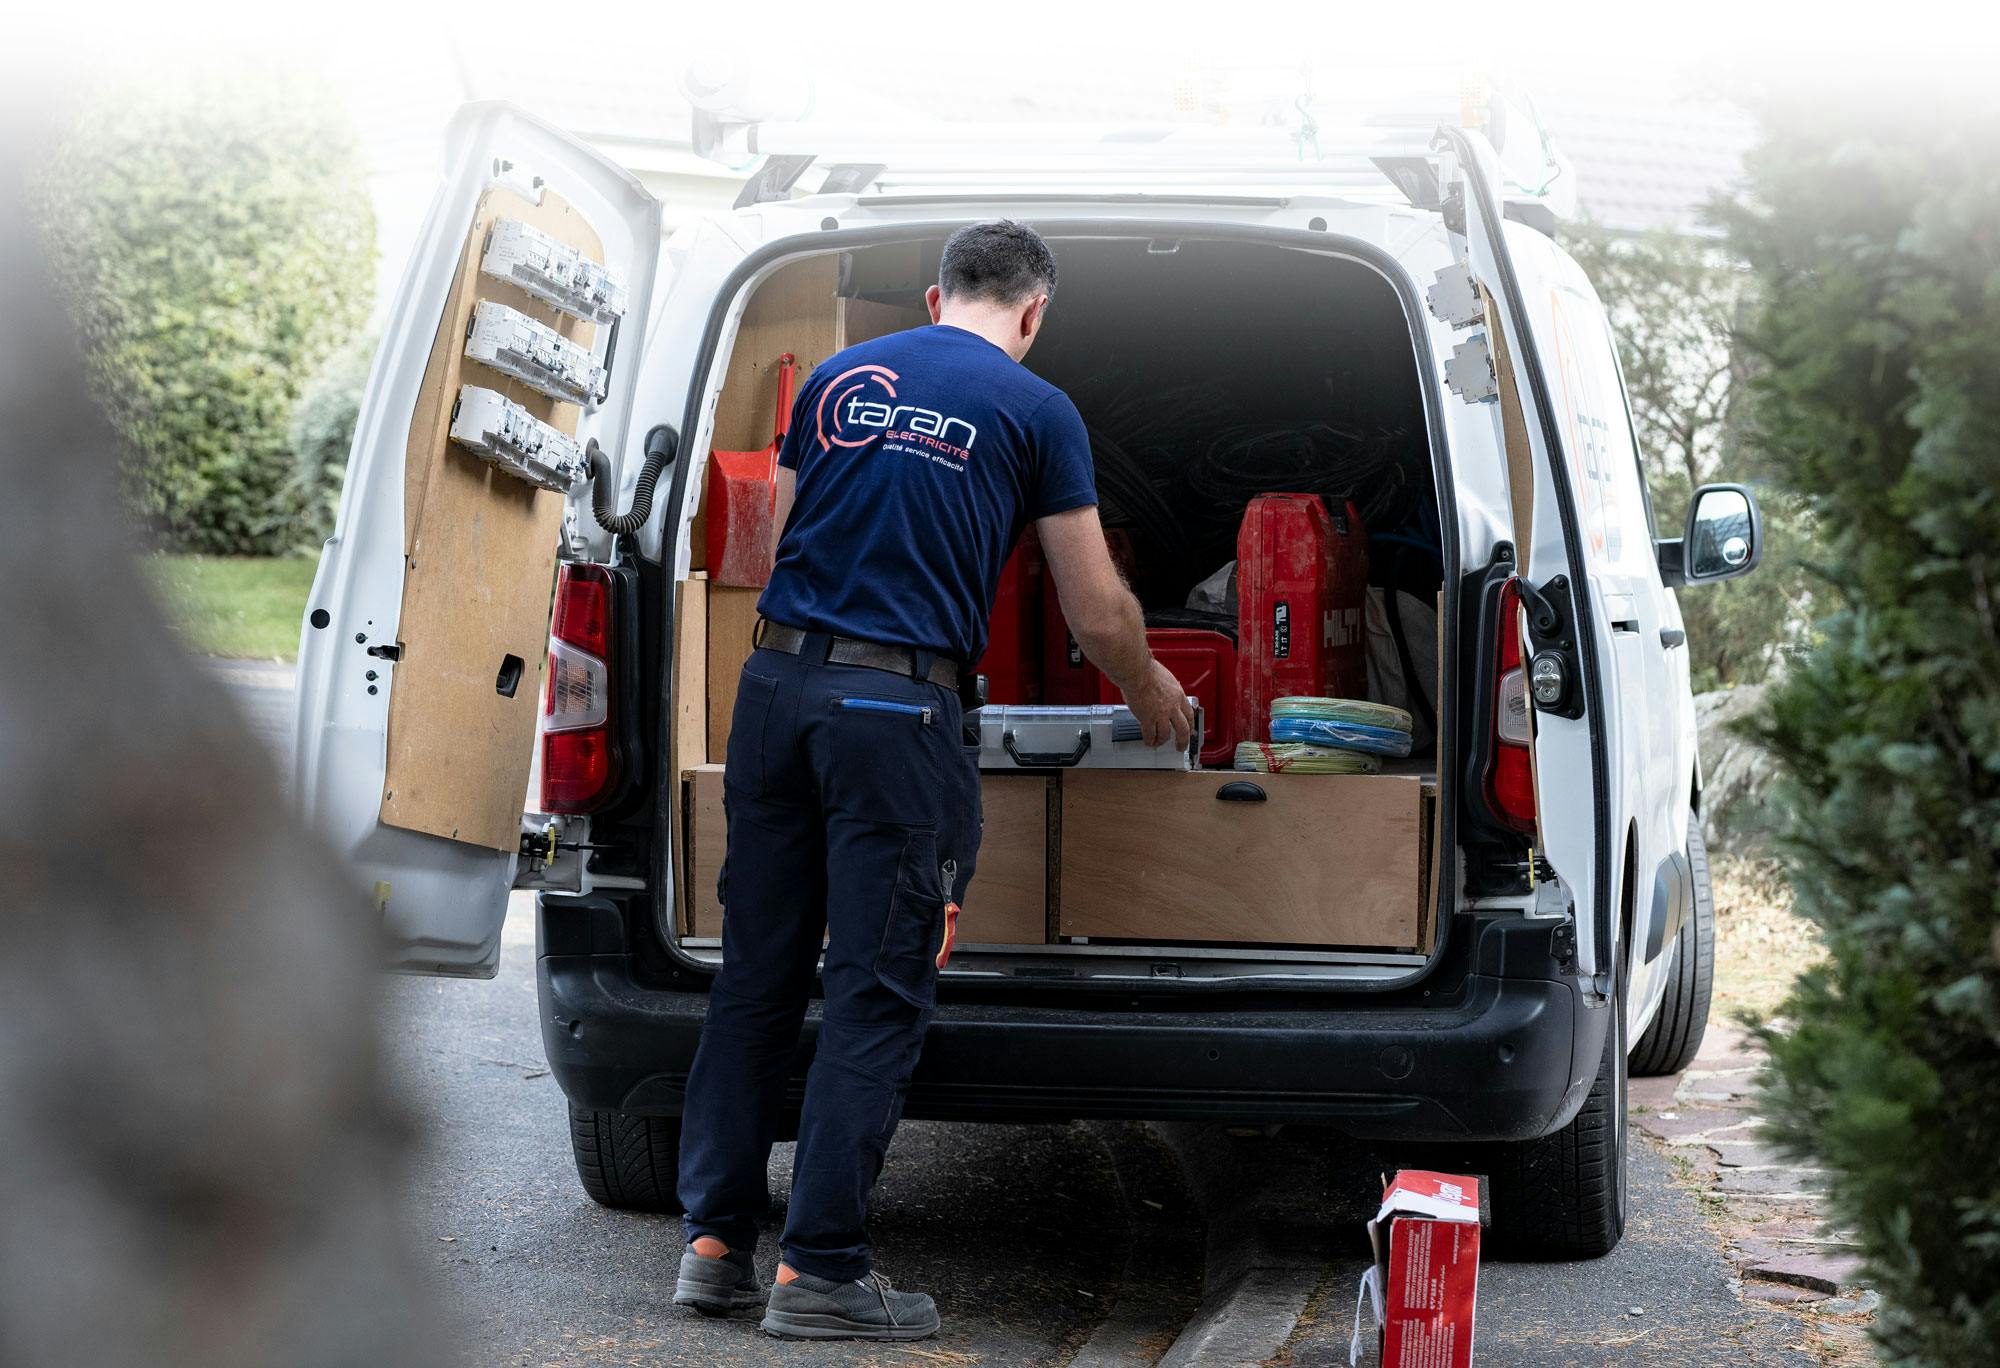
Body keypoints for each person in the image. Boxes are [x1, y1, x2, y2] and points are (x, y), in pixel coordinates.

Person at [673, 220, 1193, 1341]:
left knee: (756, 978)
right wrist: (1151, 690)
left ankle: (713, 1248)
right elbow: (1092, 608)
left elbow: (783, 541)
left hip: (773, 691)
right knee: (873, 988)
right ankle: (819, 1274)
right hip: (894, 717)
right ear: (1032, 313)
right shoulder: (1035, 410)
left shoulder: (834, 378)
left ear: (932, 295)